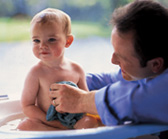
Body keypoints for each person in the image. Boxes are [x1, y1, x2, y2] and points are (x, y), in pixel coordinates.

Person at [49, 0, 168, 127]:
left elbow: (133, 101)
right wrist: (67, 80)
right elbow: (111, 80)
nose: (113, 60)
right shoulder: (146, 71)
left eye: (122, 57)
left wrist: (80, 100)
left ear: (156, 64)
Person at [17, 8, 102, 131]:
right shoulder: (36, 73)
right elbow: (27, 105)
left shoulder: (76, 69)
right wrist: (49, 121)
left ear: (68, 41)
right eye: (36, 40)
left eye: (51, 39)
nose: (42, 45)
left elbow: (85, 99)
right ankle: (58, 132)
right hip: (47, 122)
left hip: (74, 121)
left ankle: (66, 133)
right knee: (24, 126)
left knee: (90, 121)